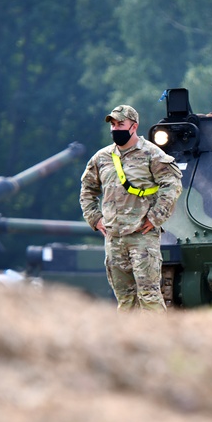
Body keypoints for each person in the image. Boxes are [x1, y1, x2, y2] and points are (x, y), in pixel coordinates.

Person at [80, 104, 182, 311]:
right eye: (113, 125)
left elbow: (172, 184)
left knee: (149, 296)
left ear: (133, 126)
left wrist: (155, 217)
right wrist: (95, 219)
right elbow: (87, 189)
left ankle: (156, 340)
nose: (116, 129)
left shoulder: (152, 154)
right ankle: (128, 341)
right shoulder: (102, 158)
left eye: (121, 124)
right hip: (114, 238)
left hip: (142, 237)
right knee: (125, 300)